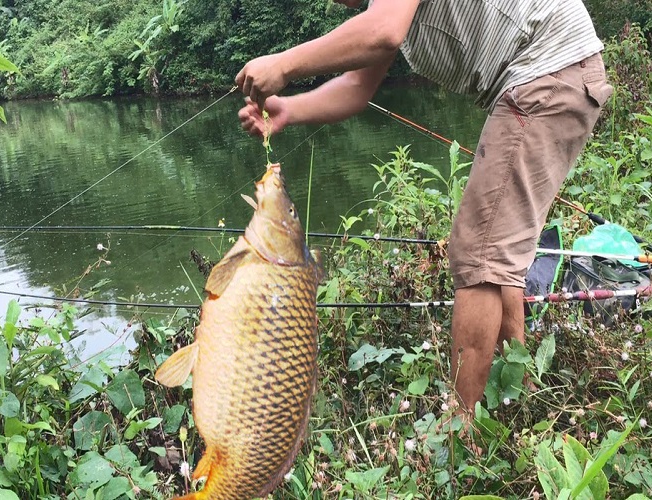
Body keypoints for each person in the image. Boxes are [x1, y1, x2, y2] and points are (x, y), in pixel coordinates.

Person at [235, 0, 613, 426]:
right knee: (497, 252)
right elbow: (358, 85)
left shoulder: (386, 16)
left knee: (478, 252)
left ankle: (460, 436)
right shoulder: (385, 8)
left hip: (548, 69)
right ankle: (520, 397)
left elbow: (383, 32)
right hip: (558, 72)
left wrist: (283, 65)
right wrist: (290, 108)